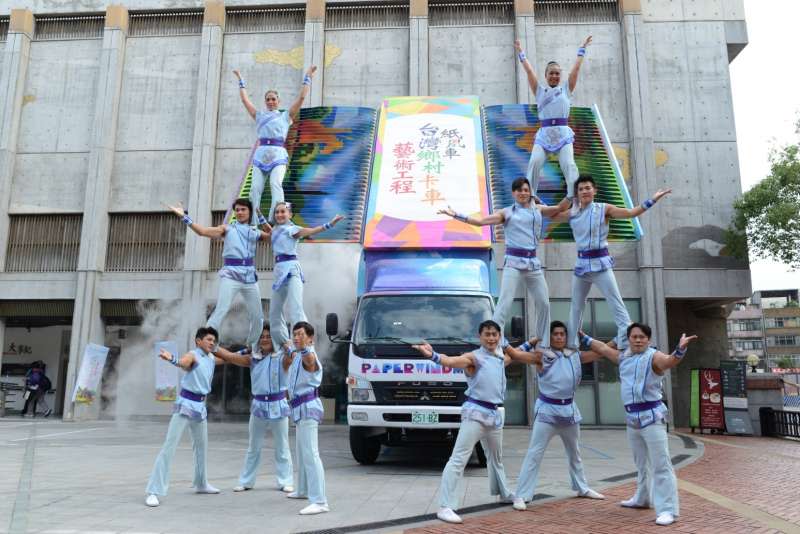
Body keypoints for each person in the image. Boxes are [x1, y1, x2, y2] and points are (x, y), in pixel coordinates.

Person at [581, 323, 697, 526]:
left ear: (648, 340)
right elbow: (602, 348)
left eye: (642, 337)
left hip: (652, 418)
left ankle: (668, 509)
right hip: (632, 419)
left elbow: (670, 361)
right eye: (634, 337)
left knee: (661, 465)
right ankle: (643, 497)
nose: (638, 340)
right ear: (628, 339)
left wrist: (681, 348)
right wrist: (584, 337)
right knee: (641, 463)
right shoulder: (624, 357)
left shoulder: (654, 356)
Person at [439, 177, 569, 347]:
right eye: (519, 190)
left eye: (525, 190)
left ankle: (544, 343)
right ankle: (494, 342)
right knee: (505, 303)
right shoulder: (506, 212)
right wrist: (456, 215)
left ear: (530, 192)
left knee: (544, 302)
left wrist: (572, 193)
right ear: (513, 193)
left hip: (533, 263)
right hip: (513, 263)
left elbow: (559, 208)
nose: (523, 193)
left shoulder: (539, 209)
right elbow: (480, 222)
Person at [548, 175, 671, 350]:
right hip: (582, 265)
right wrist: (567, 200)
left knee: (615, 303)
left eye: (588, 187)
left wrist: (652, 200)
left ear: (594, 190)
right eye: (581, 189)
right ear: (576, 192)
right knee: (576, 306)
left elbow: (631, 213)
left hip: (601, 263)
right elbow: (552, 216)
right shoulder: (572, 212)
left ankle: (624, 343)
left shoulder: (603, 209)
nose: (585, 191)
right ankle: (571, 346)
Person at [412, 320, 514, 524]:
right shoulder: (473, 358)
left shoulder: (500, 357)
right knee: (458, 459)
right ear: (480, 336)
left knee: (496, 458)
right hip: (476, 414)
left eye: (495, 334)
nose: (491, 337)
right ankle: (445, 506)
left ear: (499, 337)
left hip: (494, 416)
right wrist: (432, 354)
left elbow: (515, 355)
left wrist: (533, 343)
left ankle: (504, 493)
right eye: (487, 334)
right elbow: (450, 361)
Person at [504, 321, 605, 510]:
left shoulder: (575, 355)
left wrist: (589, 338)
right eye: (555, 334)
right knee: (534, 453)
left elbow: (603, 351)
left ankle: (582, 487)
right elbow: (515, 355)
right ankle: (522, 494)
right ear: (549, 337)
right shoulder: (541, 356)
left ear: (567, 337)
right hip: (547, 412)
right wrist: (522, 341)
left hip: (569, 411)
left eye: (562, 334)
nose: (559, 337)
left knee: (575, 452)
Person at [168, 198, 270, 348]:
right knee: (222, 308)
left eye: (243, 209)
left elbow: (275, 237)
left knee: (258, 316)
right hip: (231, 274)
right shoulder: (227, 228)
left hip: (249, 276)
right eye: (237, 210)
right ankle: (207, 343)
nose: (240, 212)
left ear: (249, 212)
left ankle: (253, 346)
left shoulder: (255, 231)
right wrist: (184, 217)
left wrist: (263, 220)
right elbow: (202, 232)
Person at [145, 327, 225, 507]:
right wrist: (172, 359)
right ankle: (154, 491)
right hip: (186, 404)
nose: (212, 343)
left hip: (200, 407)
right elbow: (183, 362)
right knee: (169, 447)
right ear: (198, 341)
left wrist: (246, 352)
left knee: (201, 447)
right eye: (209, 339)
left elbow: (225, 359)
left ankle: (201, 483)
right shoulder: (193, 355)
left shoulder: (211, 358)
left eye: (214, 340)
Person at [213, 324, 294, 494]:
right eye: (262, 336)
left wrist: (286, 344)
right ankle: (246, 481)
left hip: (278, 405)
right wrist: (213, 346)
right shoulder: (253, 358)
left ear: (274, 339)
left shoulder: (282, 358)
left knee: (282, 446)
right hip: (258, 406)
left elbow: (292, 356)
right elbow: (229, 357)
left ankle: (285, 481)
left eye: (268, 336)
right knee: (253, 447)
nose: (265, 339)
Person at [233, 65, 317, 224]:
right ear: (265, 101)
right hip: (260, 155)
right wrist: (240, 80)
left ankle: (276, 218)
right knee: (255, 188)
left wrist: (308, 77)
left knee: (275, 184)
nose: (271, 101)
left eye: (273, 99)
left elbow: (301, 99)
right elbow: (244, 100)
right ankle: (254, 221)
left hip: (278, 155)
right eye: (268, 99)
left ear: (278, 101)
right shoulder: (259, 116)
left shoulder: (285, 116)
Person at [515, 36, 592, 199]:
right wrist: (521, 53)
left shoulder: (566, 88)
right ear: (546, 75)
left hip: (563, 134)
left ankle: (573, 197)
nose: (554, 76)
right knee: (534, 162)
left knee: (569, 165)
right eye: (551, 73)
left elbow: (576, 70)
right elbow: (529, 71)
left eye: (557, 73)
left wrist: (582, 49)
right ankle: (531, 196)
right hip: (544, 134)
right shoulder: (539, 90)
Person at [269, 202, 343, 348]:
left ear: (290, 214)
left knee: (295, 308)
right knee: (274, 313)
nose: (279, 214)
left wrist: (330, 224)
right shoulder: (275, 231)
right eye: (277, 212)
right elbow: (267, 231)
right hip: (278, 273)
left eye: (283, 212)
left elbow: (311, 231)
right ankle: (285, 343)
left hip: (292, 270)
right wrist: (258, 216)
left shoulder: (292, 229)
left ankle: (305, 342)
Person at [282, 321, 329, 515]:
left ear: (310, 338)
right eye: (295, 334)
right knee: (302, 453)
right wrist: (290, 348)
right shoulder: (296, 354)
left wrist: (301, 348)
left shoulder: (309, 355)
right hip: (299, 408)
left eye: (301, 334)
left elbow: (308, 360)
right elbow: (293, 352)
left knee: (311, 454)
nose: (296, 337)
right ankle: (302, 490)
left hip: (308, 408)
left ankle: (320, 501)